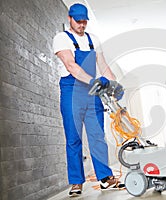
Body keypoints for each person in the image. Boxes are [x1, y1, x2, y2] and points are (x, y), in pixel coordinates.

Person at [52, 3, 124, 197]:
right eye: (78, 21)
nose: (82, 25)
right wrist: (94, 82)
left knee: (97, 136)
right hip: (71, 91)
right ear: (70, 19)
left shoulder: (94, 39)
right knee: (73, 138)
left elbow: (103, 66)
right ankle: (76, 182)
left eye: (84, 21)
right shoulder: (61, 38)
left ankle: (105, 178)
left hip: (92, 94)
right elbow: (70, 65)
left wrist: (114, 84)